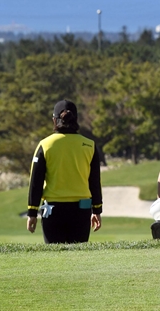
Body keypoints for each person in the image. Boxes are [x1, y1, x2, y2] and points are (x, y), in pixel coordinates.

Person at [26, 100, 102, 243]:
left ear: (54, 120)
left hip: (53, 210)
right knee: (78, 258)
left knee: (56, 259)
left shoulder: (45, 145)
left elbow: (36, 181)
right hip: (82, 209)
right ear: (76, 119)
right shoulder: (89, 145)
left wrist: (32, 212)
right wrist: (97, 210)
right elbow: (94, 181)